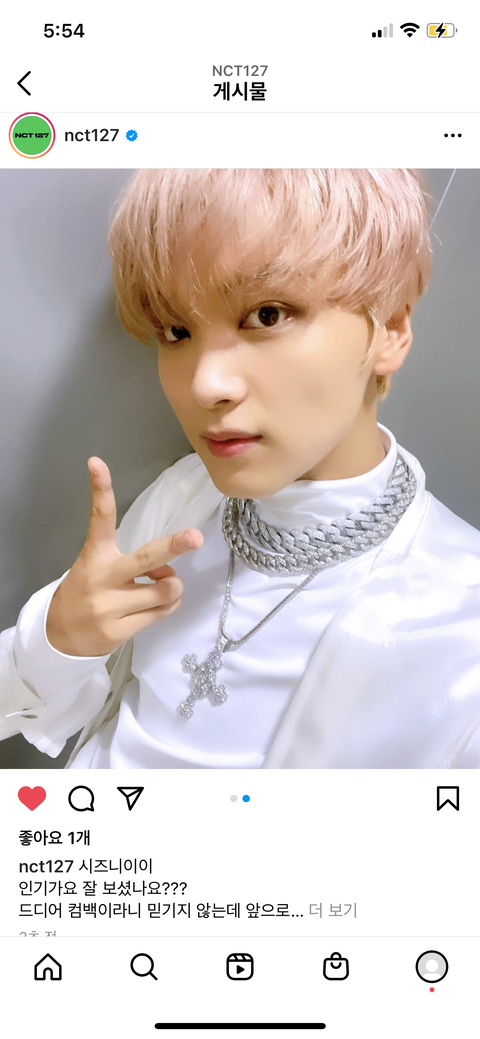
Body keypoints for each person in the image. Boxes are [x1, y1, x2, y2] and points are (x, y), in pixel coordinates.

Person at [1, 168, 480, 768]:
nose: (205, 385)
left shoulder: (459, 622)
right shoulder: (183, 497)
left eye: (268, 315)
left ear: (391, 330)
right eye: (176, 330)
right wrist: (58, 642)